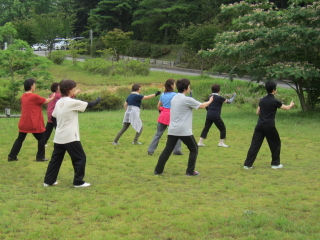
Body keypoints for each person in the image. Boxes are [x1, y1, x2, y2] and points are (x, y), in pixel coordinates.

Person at [43, 79, 101, 187]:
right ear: (69, 89)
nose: (74, 89)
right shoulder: (71, 102)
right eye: (73, 87)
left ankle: (48, 181)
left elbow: (53, 116)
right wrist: (98, 100)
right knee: (80, 158)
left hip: (59, 136)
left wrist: (58, 127)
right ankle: (78, 182)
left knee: (56, 159)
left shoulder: (59, 102)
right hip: (70, 137)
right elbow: (89, 104)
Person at [154, 78, 214, 176]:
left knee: (167, 150)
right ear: (186, 88)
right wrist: (210, 100)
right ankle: (190, 172)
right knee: (194, 149)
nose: (190, 88)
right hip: (183, 130)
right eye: (189, 86)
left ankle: (158, 171)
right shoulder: (186, 99)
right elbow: (202, 106)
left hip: (172, 129)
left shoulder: (174, 98)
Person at [243, 81, 294, 169]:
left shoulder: (262, 100)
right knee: (275, 143)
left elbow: (257, 112)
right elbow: (286, 108)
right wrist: (291, 105)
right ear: (274, 90)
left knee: (255, 144)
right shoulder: (274, 101)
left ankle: (247, 164)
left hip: (259, 125)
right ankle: (275, 164)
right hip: (269, 126)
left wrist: (264, 113)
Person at [8, 78, 55, 162]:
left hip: (23, 122)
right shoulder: (34, 96)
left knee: (20, 139)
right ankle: (40, 157)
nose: (35, 86)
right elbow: (45, 101)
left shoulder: (23, 96)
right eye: (34, 84)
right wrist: (53, 97)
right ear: (31, 86)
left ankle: (12, 156)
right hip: (33, 123)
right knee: (42, 138)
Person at [147, 79, 183, 155]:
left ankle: (150, 150)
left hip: (163, 116)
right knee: (177, 133)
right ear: (172, 85)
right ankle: (177, 150)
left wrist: (161, 111)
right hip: (172, 116)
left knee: (158, 134)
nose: (175, 85)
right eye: (174, 84)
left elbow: (158, 106)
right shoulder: (175, 95)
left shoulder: (163, 94)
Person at [198, 84, 236, 148]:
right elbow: (229, 101)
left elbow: (206, 105)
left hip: (209, 115)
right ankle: (221, 143)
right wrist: (234, 95)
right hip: (216, 116)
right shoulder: (219, 97)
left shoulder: (210, 96)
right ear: (219, 90)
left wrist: (209, 111)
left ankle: (200, 142)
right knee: (222, 128)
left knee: (206, 128)